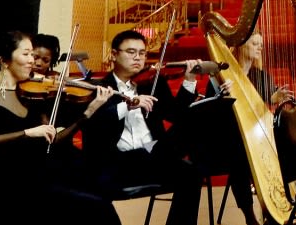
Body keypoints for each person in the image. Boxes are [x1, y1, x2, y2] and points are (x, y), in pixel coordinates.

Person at [0, 30, 120, 223]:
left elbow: (54, 138)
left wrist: (88, 113)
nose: (32, 61)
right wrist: (27, 133)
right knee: (97, 209)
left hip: (40, 175)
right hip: (8, 183)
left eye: (32, 55)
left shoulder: (30, 95)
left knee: (101, 200)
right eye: (26, 54)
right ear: (4, 60)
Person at [82, 29, 205, 225]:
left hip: (151, 155)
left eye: (142, 53)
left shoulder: (152, 82)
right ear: (114, 55)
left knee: (191, 172)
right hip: (116, 162)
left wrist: (189, 81)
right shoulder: (98, 87)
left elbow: (175, 114)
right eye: (131, 52)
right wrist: (128, 104)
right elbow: (92, 123)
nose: (137, 58)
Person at [209, 30, 295, 225]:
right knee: (240, 154)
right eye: (255, 43)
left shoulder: (260, 75)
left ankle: (279, 204)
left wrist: (275, 99)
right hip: (223, 139)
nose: (260, 48)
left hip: (253, 137)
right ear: (241, 46)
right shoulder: (220, 73)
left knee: (284, 146)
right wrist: (221, 95)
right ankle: (249, 214)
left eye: (261, 44)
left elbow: (268, 100)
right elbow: (213, 111)